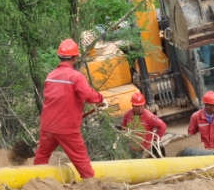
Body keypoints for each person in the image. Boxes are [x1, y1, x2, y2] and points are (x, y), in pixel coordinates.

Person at [33, 39, 106, 180]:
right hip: (66, 128)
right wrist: (101, 99)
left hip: (48, 126)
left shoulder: (50, 76)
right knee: (81, 159)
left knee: (41, 156)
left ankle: (37, 181)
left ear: (60, 56)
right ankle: (91, 185)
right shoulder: (75, 77)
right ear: (75, 57)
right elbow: (87, 94)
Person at [121, 92, 167, 157]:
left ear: (144, 104)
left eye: (141, 106)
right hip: (132, 147)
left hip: (145, 149)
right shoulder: (127, 115)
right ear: (132, 105)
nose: (139, 108)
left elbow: (163, 126)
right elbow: (124, 127)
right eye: (137, 106)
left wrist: (155, 138)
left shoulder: (149, 117)